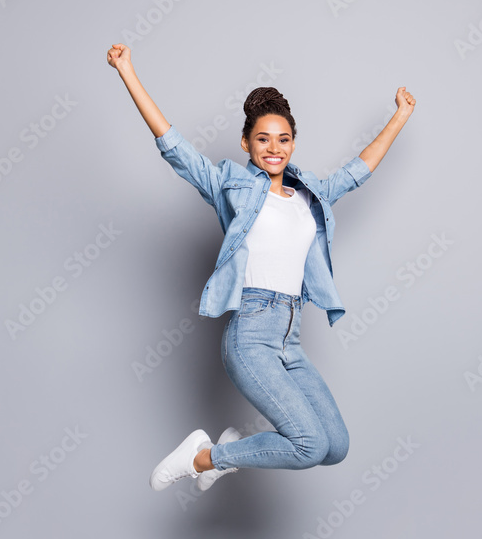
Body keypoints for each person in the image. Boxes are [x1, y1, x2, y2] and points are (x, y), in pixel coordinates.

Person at [106, 43, 415, 493]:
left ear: (293, 142)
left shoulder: (309, 195)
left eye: (284, 139)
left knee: (335, 446)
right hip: (250, 334)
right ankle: (203, 457)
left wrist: (401, 116)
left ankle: (226, 449)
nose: (274, 148)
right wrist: (127, 70)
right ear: (247, 142)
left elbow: (356, 171)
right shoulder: (230, 187)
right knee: (307, 445)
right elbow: (174, 147)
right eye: (263, 139)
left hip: (291, 336)